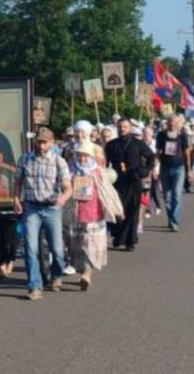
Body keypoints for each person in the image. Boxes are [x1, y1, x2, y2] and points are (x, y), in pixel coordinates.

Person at [13, 126, 71, 300]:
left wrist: (63, 197)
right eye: (38, 142)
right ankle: (34, 285)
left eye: (44, 142)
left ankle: (56, 274)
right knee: (30, 248)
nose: (41, 146)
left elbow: (68, 187)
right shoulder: (25, 159)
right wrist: (16, 199)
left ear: (52, 143)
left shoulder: (58, 161)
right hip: (32, 208)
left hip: (52, 208)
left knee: (57, 249)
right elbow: (18, 182)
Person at [65, 141, 124, 290]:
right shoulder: (70, 170)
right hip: (74, 213)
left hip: (94, 213)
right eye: (80, 155)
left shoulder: (98, 171)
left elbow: (109, 191)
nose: (82, 158)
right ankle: (81, 270)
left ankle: (87, 274)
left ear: (91, 156)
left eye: (85, 155)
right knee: (76, 244)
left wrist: (117, 210)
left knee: (91, 244)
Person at [106, 116, 150, 252]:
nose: (122, 129)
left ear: (130, 128)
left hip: (133, 181)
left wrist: (144, 171)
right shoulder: (111, 145)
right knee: (119, 210)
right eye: (120, 127)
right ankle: (118, 238)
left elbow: (151, 156)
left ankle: (131, 241)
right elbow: (105, 162)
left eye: (125, 127)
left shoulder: (138, 143)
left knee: (132, 212)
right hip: (117, 182)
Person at [155, 114, 190, 232]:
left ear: (178, 124)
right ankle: (171, 218)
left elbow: (187, 153)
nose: (172, 124)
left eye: (174, 122)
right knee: (167, 197)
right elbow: (158, 152)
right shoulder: (161, 135)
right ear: (167, 123)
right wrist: (155, 166)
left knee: (176, 196)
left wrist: (189, 170)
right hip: (165, 168)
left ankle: (175, 222)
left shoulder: (182, 136)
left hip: (179, 168)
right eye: (170, 122)